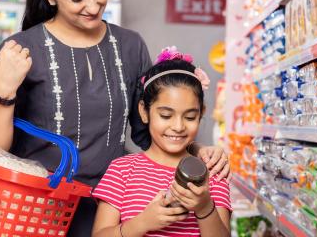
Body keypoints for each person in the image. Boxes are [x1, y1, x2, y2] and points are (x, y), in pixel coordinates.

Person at [0, 0, 230, 236]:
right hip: (32, 211)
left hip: (104, 211)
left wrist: (199, 150)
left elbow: (148, 127)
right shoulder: (21, 49)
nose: (93, 5)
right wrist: (2, 93)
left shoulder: (129, 46)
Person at [92, 48, 231, 237]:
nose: (178, 126)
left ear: (201, 113)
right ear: (144, 111)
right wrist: (142, 223)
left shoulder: (212, 173)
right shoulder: (122, 170)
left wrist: (204, 206)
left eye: (190, 117)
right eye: (166, 115)